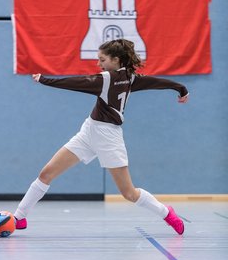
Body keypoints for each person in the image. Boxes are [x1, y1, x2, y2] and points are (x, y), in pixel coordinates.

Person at [13, 39, 189, 235]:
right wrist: (180, 88)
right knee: (46, 173)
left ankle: (167, 213)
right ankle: (19, 218)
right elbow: (158, 82)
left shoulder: (108, 79)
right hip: (89, 132)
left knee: (129, 193)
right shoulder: (130, 78)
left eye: (102, 59)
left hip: (109, 138)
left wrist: (44, 79)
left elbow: (75, 83)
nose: (99, 63)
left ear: (116, 59)